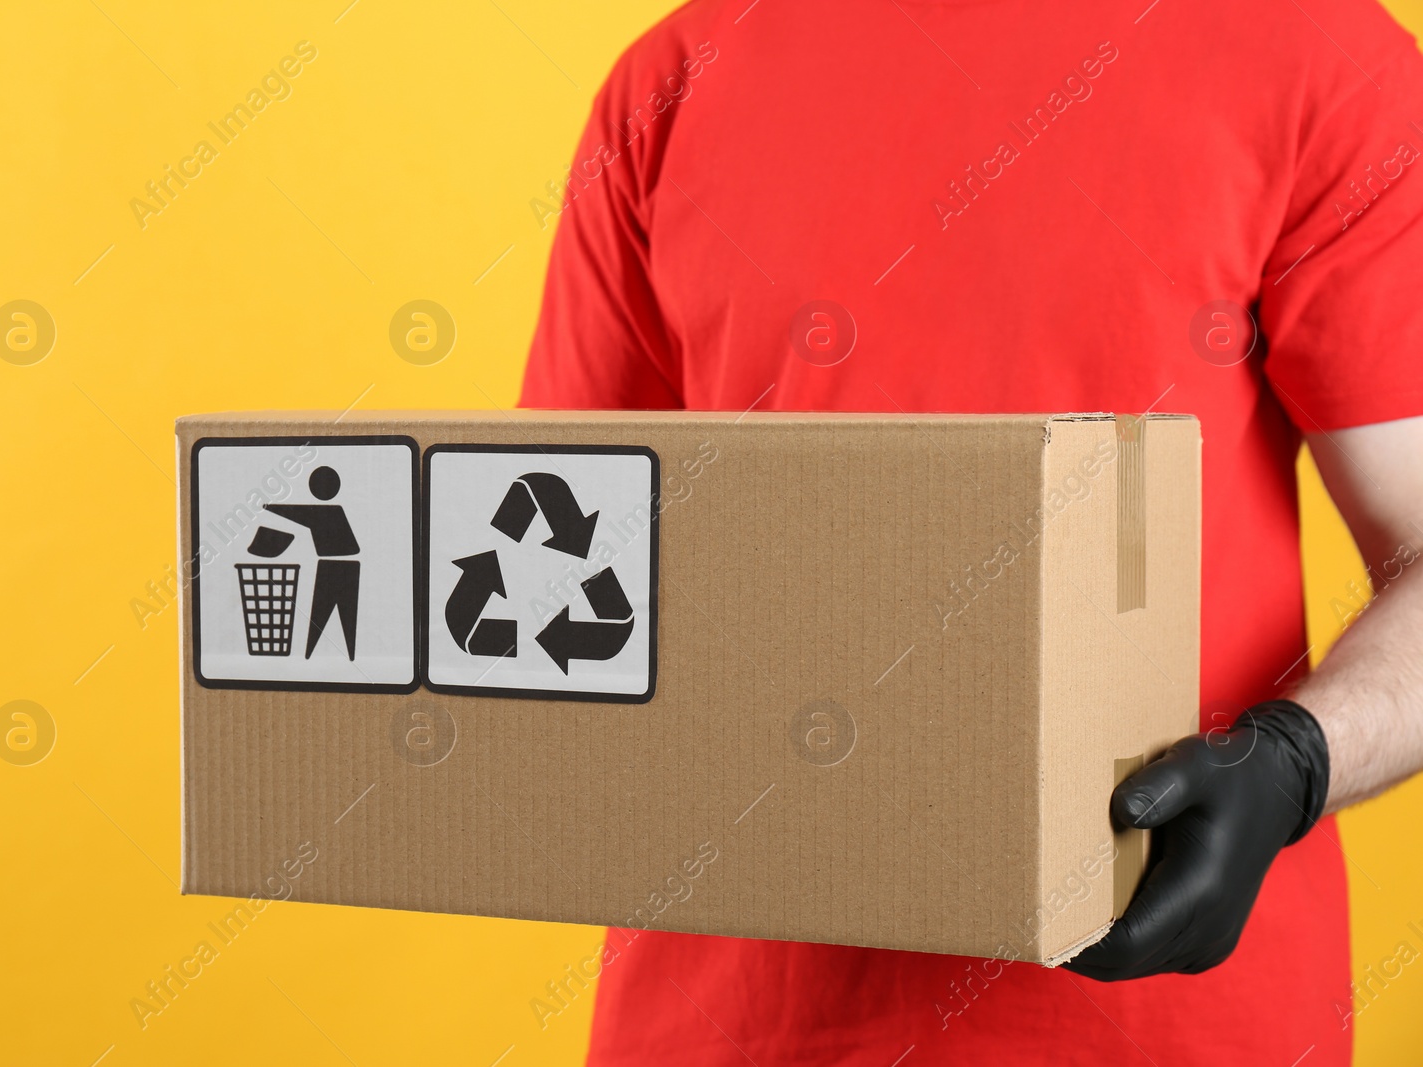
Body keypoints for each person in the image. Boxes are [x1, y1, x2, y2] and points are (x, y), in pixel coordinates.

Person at [518, 0, 1423, 1063]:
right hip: (733, 1021)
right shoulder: (672, 81)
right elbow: (567, 559)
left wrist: (1292, 763)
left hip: (1159, 1016)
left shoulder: (1313, 58)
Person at [265, 465, 361, 660]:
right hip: (337, 566)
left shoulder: (330, 512)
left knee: (331, 616)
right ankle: (313, 656)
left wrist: (268, 507)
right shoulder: (331, 512)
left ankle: (347, 656)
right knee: (323, 617)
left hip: (337, 568)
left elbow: (300, 514)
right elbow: (303, 514)